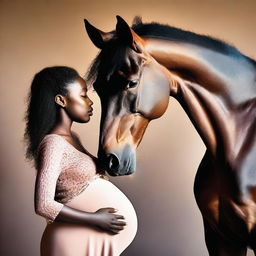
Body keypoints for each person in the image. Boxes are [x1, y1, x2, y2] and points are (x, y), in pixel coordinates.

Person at [24, 66, 137, 256]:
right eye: (83, 95)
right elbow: (43, 204)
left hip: (83, 239)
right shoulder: (53, 143)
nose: (90, 102)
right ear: (61, 100)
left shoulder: (72, 138)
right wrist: (95, 219)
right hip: (70, 242)